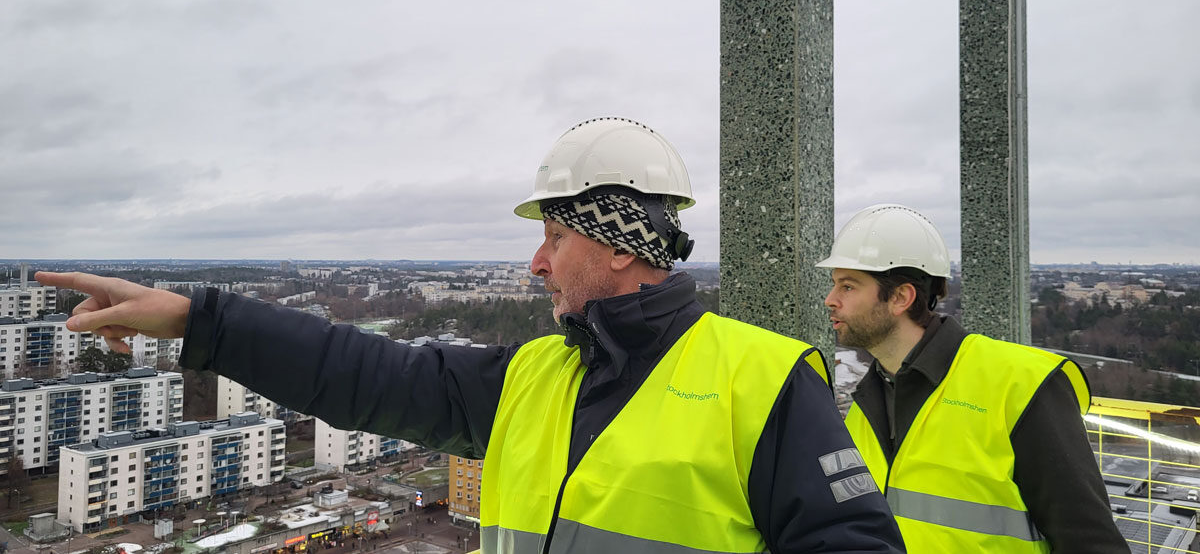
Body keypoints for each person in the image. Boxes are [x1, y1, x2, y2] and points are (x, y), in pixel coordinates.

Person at [40, 117, 904, 553]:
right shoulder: (533, 377)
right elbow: (357, 371)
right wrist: (203, 322)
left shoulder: (762, 379)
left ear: (614, 241)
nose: (536, 264)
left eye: (554, 238)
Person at [816, 204, 1127, 553]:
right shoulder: (866, 401)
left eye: (847, 287)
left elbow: (1091, 542)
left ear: (901, 297)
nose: (830, 300)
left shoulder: (1018, 384)